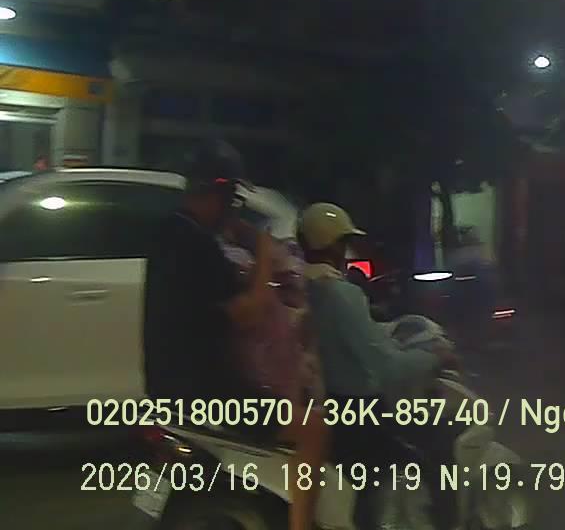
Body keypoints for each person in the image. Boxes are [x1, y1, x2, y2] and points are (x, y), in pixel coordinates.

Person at [143, 140, 326, 530]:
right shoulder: (196, 246)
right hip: (206, 391)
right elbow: (249, 311)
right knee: (314, 428)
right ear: (219, 193)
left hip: (171, 383)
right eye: (230, 199)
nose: (233, 208)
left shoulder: (173, 232)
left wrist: (246, 236)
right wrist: (265, 259)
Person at [299, 202, 451, 529]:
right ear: (335, 245)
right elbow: (387, 367)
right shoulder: (340, 293)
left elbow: (361, 336)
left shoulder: (303, 285)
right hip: (357, 415)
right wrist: (435, 357)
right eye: (345, 242)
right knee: (431, 458)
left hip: (325, 409)